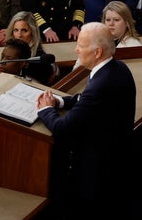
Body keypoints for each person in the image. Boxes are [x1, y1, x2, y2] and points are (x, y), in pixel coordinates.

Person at [36, 22, 135, 218]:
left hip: (98, 174)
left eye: (81, 45)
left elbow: (63, 128)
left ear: (97, 52)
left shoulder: (101, 83)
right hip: (116, 163)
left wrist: (46, 108)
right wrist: (59, 102)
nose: (76, 50)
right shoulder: (117, 68)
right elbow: (84, 100)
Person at [4, 11, 55, 84]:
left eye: (24, 30)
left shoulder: (39, 59)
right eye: (16, 30)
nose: (19, 35)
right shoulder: (9, 53)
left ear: (33, 33)